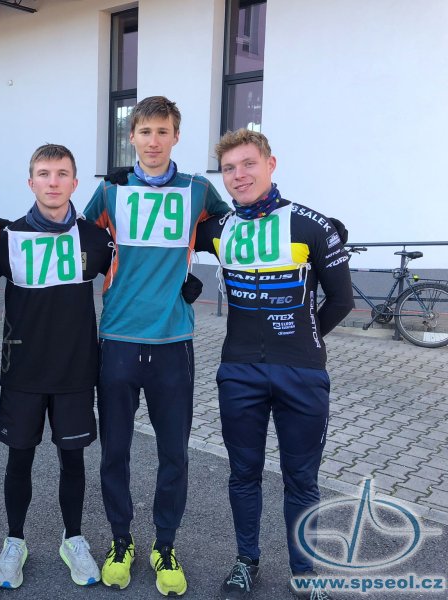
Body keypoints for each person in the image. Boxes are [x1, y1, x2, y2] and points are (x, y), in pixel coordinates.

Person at [194, 129, 353, 600]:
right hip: (239, 371)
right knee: (243, 473)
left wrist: (304, 339)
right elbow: (166, 233)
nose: (238, 175)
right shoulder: (217, 229)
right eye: (229, 168)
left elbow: (341, 300)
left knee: (301, 480)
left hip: (302, 374)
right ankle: (246, 561)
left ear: (270, 164)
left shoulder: (310, 224)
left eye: (248, 164)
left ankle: (305, 572)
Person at [84, 96, 230, 596]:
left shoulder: (197, 189)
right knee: (115, 452)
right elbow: (77, 236)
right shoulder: (111, 190)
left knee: (174, 455)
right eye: (144, 131)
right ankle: (120, 541)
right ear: (131, 137)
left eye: (162, 131)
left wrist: (199, 272)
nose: (153, 141)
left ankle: (165, 545)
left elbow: (233, 227)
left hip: (173, 342)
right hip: (118, 339)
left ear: (176, 136)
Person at [0, 144, 112, 590]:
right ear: (30, 182)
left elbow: (131, 277)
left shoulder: (94, 239)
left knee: (73, 460)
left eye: (62, 174)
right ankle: (15, 541)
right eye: (44, 174)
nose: (53, 182)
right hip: (22, 373)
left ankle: (73, 539)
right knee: (20, 460)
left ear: (75, 182)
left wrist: (183, 284)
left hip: (75, 372)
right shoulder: (7, 237)